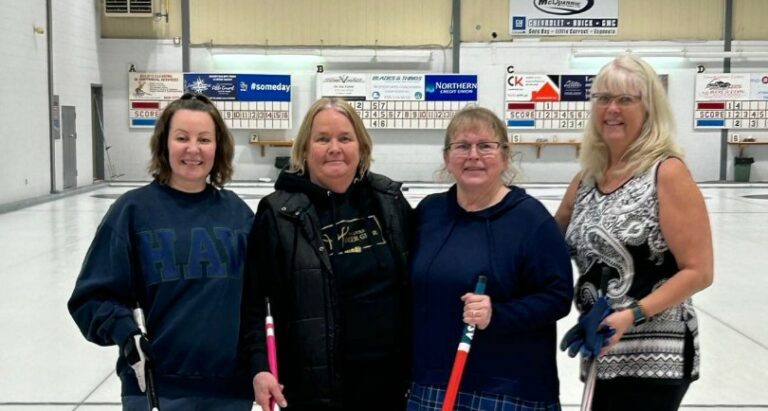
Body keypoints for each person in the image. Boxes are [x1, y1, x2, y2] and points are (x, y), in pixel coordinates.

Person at [68, 93, 255, 410]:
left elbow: (260, 301)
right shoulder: (132, 212)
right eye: (182, 137)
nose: (193, 149)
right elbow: (92, 298)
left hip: (229, 391)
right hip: (156, 390)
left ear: (218, 147)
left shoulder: (238, 215)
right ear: (164, 143)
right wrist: (127, 336)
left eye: (204, 139)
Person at [554, 54, 714, 411]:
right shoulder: (585, 180)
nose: (612, 108)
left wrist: (633, 315)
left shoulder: (667, 173)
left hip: (655, 356)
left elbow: (699, 271)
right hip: (603, 349)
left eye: (626, 99)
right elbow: (547, 243)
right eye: (603, 98)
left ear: (649, 109)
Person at [241, 97, 412, 411]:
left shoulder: (388, 201)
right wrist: (259, 366)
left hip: (390, 387)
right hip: (313, 391)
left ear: (361, 146)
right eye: (322, 139)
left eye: (345, 138)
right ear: (305, 150)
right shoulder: (279, 213)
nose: (335, 147)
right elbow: (255, 303)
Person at [407, 106, 573, 411]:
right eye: (462, 146)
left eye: (485, 146)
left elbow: (558, 297)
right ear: (447, 157)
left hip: (508, 388)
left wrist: (498, 314)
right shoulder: (428, 214)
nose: (473, 155)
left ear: (505, 156)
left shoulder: (530, 220)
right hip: (432, 383)